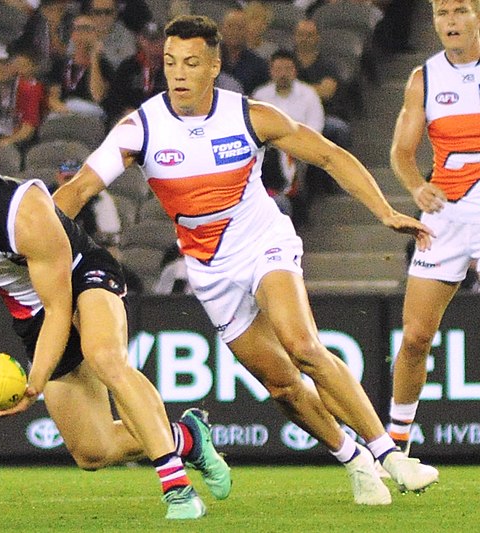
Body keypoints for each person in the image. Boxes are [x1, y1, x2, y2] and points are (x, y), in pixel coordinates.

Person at [53, 14, 440, 506]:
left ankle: (390, 455)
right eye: (170, 61)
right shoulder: (140, 128)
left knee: (302, 345)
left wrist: (384, 211)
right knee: (281, 386)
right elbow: (80, 189)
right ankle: (354, 459)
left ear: (214, 66)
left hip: (263, 243)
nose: (178, 72)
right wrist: (35, 246)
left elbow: (329, 156)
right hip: (209, 270)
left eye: (191, 63)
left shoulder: (249, 116)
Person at [0, 135, 232, 520]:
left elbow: (58, 306)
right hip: (31, 311)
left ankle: (175, 486)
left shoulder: (26, 212)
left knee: (104, 357)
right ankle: (187, 438)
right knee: (92, 451)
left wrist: (35, 382)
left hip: (81, 275)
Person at [387, 0, 480, 456]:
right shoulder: (423, 78)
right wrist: (414, 187)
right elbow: (403, 153)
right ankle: (397, 441)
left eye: (460, 10)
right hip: (445, 213)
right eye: (442, 13)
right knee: (415, 336)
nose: (450, 22)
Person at [252, 49, 325, 221]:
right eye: (278, 69)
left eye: (287, 69)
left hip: (300, 149)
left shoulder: (309, 94)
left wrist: (294, 147)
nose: (282, 74)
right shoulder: (260, 95)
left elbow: (316, 127)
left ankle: (295, 204)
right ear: (271, 71)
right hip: (269, 151)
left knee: (295, 164)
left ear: (294, 71)